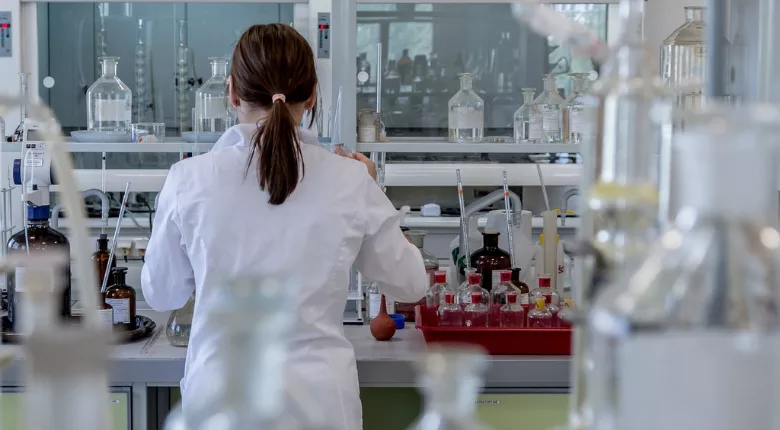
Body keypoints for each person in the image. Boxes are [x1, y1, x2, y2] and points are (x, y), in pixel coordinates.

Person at [141, 24, 428, 430]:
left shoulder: (188, 178)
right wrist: (371, 187)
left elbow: (162, 292)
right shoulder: (350, 179)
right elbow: (411, 285)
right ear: (311, 95)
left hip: (219, 406)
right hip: (321, 405)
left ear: (233, 93)